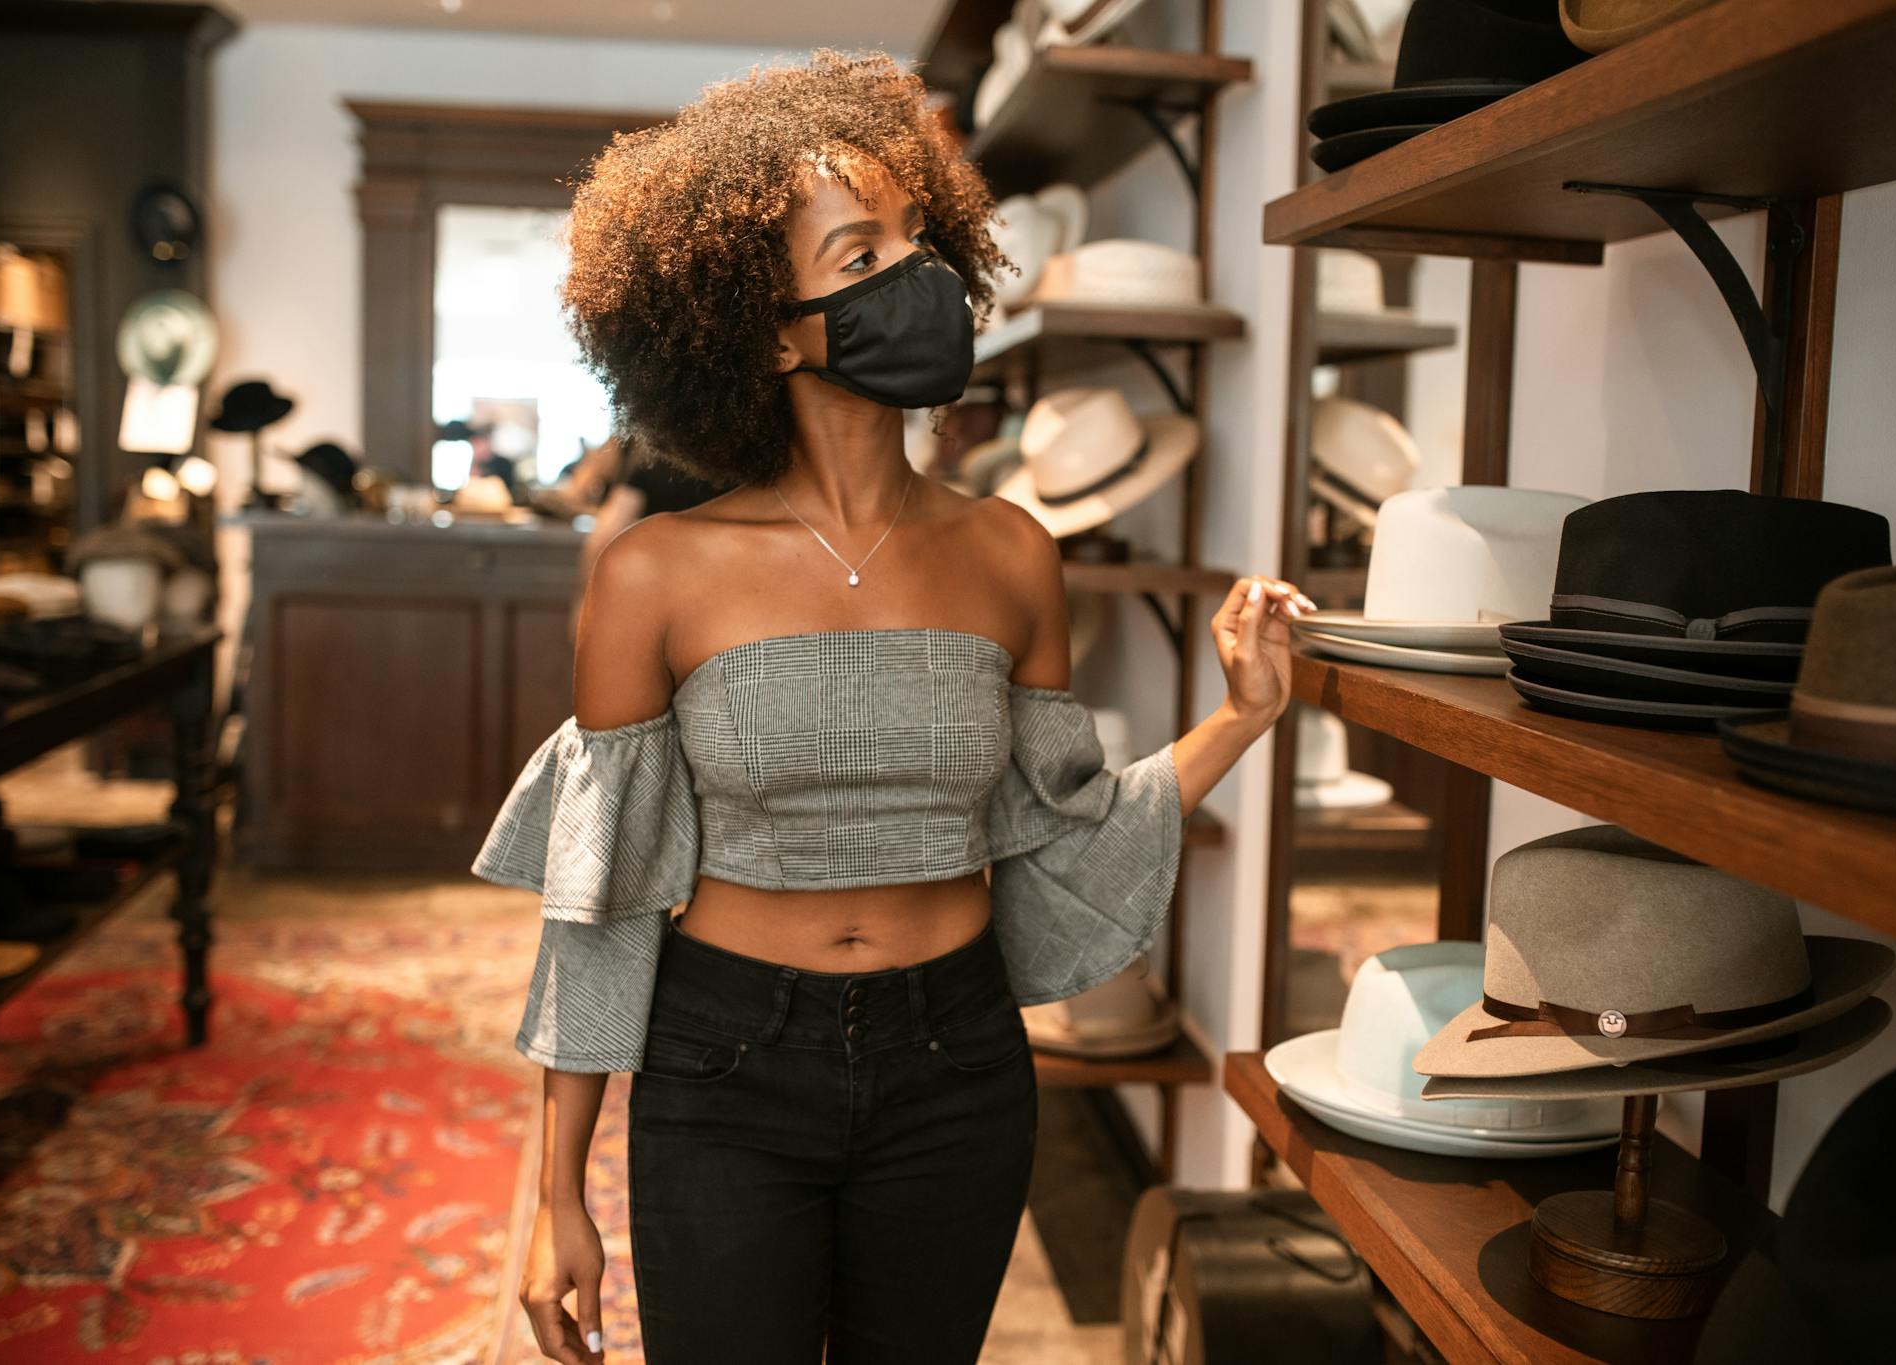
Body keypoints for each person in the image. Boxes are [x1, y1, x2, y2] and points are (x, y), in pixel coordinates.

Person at [470, 51, 1314, 1365]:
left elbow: (1064, 825)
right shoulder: (658, 574)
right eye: (863, 256)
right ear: (763, 325)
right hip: (726, 1066)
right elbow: (603, 894)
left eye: (921, 243)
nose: (916, 282)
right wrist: (552, 1191)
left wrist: (1243, 713)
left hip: (957, 1064)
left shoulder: (1012, 553)